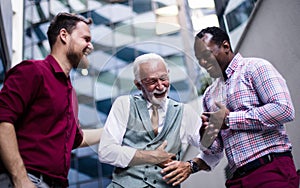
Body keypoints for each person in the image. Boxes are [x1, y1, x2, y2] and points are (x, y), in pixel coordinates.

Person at [0, 12, 102, 188]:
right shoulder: (33, 71)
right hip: (27, 179)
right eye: (86, 39)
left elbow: (76, 139)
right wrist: (21, 179)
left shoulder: (70, 93)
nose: (90, 46)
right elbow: (3, 120)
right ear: (64, 35)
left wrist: (115, 128)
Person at [194, 26, 299, 188]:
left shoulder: (255, 67)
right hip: (237, 179)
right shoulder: (209, 95)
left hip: (270, 168)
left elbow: (284, 110)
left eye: (207, 54)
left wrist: (230, 119)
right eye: (199, 58)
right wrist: (206, 136)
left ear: (226, 46)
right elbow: (216, 149)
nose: (202, 62)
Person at [98, 53, 222, 187]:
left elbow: (216, 152)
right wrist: (151, 156)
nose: (160, 86)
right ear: (138, 85)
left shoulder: (185, 112)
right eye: (152, 81)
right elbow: (106, 151)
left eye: (163, 78)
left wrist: (191, 166)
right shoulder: (124, 104)